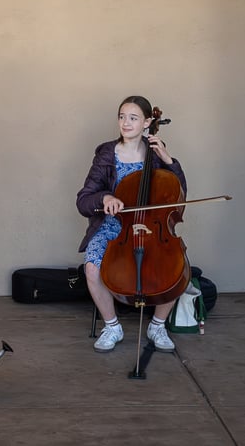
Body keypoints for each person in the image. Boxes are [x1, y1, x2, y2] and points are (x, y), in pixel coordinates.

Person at [76, 95, 187, 353]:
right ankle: (112, 326)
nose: (125, 123)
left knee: (176, 267)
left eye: (133, 118)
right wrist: (105, 197)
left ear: (148, 122)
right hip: (115, 227)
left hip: (153, 228)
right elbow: (83, 199)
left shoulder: (157, 153)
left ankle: (158, 325)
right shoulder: (106, 153)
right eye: (122, 116)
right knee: (92, 267)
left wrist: (169, 161)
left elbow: (180, 193)